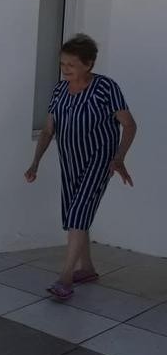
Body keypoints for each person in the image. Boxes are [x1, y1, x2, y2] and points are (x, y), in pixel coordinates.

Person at [25, 34, 137, 301]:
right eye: (62, 63)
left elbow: (129, 124)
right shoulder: (59, 90)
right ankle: (86, 269)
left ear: (88, 64)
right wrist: (35, 162)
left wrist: (119, 157)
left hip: (99, 160)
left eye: (71, 64)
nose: (65, 69)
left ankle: (65, 278)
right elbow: (48, 130)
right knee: (75, 215)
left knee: (78, 213)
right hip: (70, 161)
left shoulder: (105, 88)